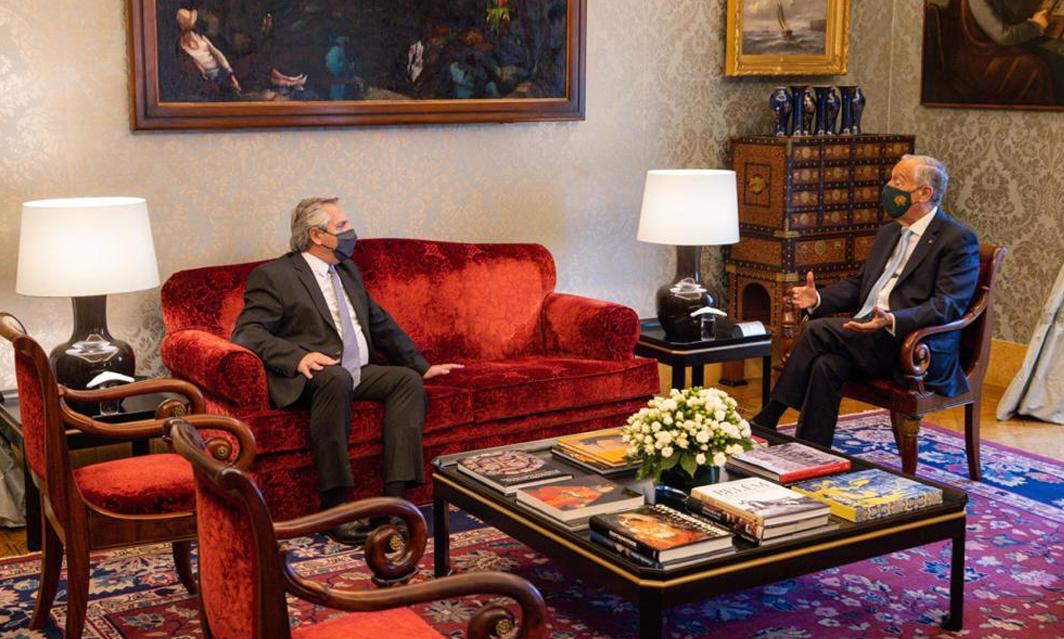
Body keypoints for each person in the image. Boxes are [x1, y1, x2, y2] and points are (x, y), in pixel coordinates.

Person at [231, 197, 462, 545]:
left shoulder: (347, 270)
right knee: (335, 378)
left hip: (356, 369)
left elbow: (380, 322)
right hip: (312, 376)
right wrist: (298, 358)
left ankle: (393, 501)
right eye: (342, 227)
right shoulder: (275, 276)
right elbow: (247, 333)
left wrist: (421, 366)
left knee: (405, 381)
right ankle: (335, 507)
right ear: (317, 235)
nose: (351, 233)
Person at [752, 155, 980, 448]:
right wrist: (818, 297)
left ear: (925, 193)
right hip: (865, 338)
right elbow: (860, 284)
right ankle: (810, 450)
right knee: (826, 364)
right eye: (891, 179)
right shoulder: (889, 232)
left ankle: (770, 417)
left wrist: (893, 319)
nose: (889, 187)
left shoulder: (957, 239)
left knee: (816, 330)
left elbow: (948, 305)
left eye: (899, 182)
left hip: (913, 348)